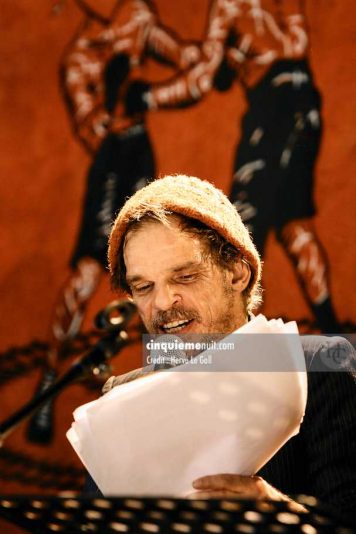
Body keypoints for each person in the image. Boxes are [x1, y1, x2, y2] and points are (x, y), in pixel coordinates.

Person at [88, 174, 355, 521]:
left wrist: (279, 514)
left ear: (238, 272)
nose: (163, 301)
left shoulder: (319, 366)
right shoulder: (120, 396)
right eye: (144, 287)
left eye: (184, 277)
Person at [27, 0, 199, 443]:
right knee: (86, 274)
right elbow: (90, 127)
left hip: (140, 151)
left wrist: (154, 92)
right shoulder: (79, 58)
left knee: (163, 274)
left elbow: (190, 60)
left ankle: (171, 386)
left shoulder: (139, 18)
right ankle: (49, 382)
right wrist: (115, 102)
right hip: (111, 158)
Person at [124, 0, 340, 334]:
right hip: (306, 101)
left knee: (242, 230)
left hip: (272, 105)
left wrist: (148, 97)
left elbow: (200, 81)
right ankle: (334, 332)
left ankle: (238, 340)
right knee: (294, 225)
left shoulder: (228, 5)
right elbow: (295, 44)